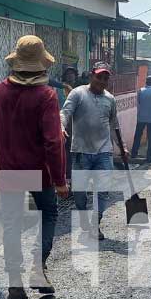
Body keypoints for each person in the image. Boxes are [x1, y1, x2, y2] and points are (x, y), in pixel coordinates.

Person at [0, 35, 69, 299]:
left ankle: (15, 288)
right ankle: (37, 269)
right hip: (40, 172)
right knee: (49, 213)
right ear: (41, 64)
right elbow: (53, 142)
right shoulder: (47, 96)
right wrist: (60, 180)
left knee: (11, 225)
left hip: (9, 171)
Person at [61, 62, 128, 241]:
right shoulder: (78, 93)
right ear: (92, 76)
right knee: (79, 193)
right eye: (99, 77)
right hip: (81, 152)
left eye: (106, 78)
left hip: (104, 153)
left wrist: (122, 148)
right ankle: (83, 216)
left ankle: (95, 224)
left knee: (103, 191)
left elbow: (114, 125)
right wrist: (60, 126)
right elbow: (65, 112)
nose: (102, 81)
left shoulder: (110, 99)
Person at [131, 75, 151, 163]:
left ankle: (133, 154)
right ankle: (149, 158)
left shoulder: (141, 91)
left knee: (137, 136)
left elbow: (139, 101)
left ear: (146, 82)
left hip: (141, 118)